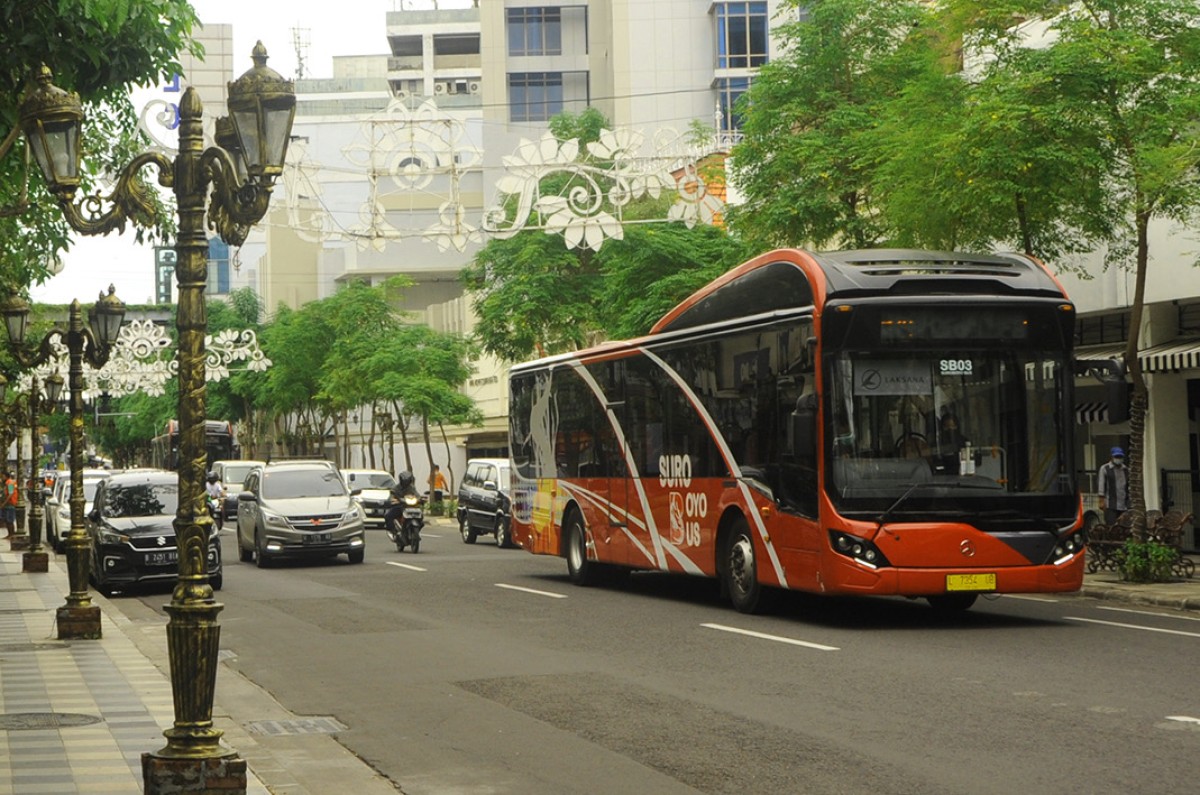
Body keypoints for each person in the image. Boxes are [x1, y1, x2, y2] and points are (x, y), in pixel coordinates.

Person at [1098, 446, 1129, 525]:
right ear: (1112, 457)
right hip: (1110, 504)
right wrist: (1101, 500)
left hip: (1124, 504)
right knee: (1111, 526)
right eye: (1116, 456)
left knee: (1124, 527)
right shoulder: (1105, 468)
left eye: (1120, 457)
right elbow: (1101, 484)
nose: (1118, 459)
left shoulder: (1126, 470)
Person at [385, 471, 419, 535]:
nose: (406, 482)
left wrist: (420, 499)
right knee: (388, 515)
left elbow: (416, 494)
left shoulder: (411, 487)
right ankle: (393, 530)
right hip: (400, 506)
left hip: (410, 507)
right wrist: (393, 500)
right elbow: (391, 496)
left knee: (420, 514)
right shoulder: (396, 488)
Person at [3, 470, 16, 537]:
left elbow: (10, 493)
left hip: (11, 503)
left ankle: (12, 534)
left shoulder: (10, 483)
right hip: (8, 504)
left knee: (10, 520)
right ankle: (9, 534)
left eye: (3, 476)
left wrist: (4, 503)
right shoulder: (7, 483)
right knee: (7, 520)